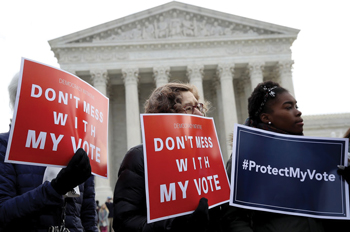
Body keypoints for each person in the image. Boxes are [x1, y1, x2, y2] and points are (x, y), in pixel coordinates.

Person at [221, 80, 325, 232]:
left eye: (296, 106)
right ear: (265, 117)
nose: (298, 112)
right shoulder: (246, 157)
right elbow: (232, 218)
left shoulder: (311, 155)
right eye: (288, 107)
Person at [113, 82, 218, 232]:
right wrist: (176, 225)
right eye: (189, 108)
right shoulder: (140, 158)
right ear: (167, 116)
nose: (200, 114)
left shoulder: (208, 159)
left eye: (199, 107)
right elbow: (125, 223)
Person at [0, 73, 98, 232]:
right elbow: (3, 214)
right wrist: (55, 188)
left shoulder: (75, 149)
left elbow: (88, 217)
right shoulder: (4, 145)